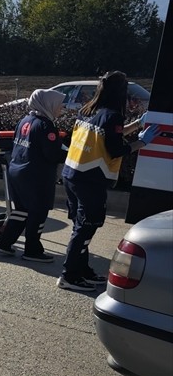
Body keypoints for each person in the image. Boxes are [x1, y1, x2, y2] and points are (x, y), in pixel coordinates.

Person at [59, 71, 159, 291]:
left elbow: (107, 136)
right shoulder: (113, 114)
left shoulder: (87, 109)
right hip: (90, 179)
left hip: (72, 174)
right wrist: (142, 143)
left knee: (80, 226)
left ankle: (82, 270)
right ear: (121, 92)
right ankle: (69, 275)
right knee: (86, 227)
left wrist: (135, 126)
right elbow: (115, 150)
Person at [0, 89, 65, 262]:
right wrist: (70, 154)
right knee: (39, 211)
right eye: (60, 104)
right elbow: (52, 154)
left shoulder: (25, 120)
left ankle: (5, 243)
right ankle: (32, 250)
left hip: (17, 171)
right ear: (49, 104)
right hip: (36, 175)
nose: (62, 108)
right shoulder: (46, 125)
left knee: (21, 210)